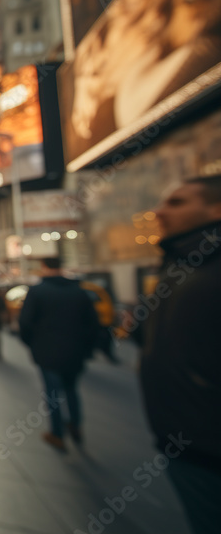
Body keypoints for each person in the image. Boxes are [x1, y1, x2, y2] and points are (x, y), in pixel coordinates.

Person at [140, 175, 221, 534]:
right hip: (185, 441)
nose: (159, 211)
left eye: (177, 202)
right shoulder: (180, 263)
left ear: (215, 208)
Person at [18, 257, 99, 451]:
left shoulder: (37, 292)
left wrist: (33, 344)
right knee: (71, 389)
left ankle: (57, 434)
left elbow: (25, 323)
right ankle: (75, 424)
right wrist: (86, 349)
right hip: (75, 351)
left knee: (53, 393)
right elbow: (93, 324)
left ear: (44, 267)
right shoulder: (80, 292)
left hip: (47, 352)